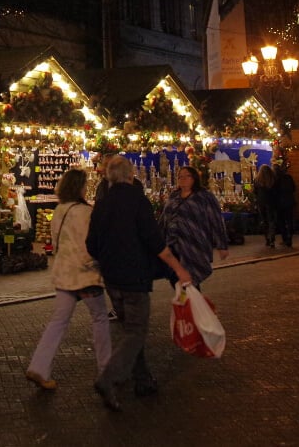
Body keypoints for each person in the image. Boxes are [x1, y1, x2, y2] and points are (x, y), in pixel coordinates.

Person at [85, 155, 192, 412]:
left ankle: (142, 379)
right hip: (135, 277)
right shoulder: (138, 201)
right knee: (136, 331)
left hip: (112, 278)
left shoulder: (101, 204)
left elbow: (91, 244)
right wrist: (178, 268)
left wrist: (106, 259)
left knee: (131, 329)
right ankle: (108, 378)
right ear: (130, 175)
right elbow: (155, 241)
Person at [26, 169, 112, 390]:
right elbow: (93, 243)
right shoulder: (85, 212)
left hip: (64, 272)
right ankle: (106, 369)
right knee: (100, 318)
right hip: (84, 273)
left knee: (59, 321)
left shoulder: (59, 210)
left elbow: (55, 242)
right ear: (80, 187)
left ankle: (39, 365)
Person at [158, 165, 229, 291]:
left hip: (194, 244)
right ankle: (191, 306)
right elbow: (164, 218)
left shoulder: (204, 196)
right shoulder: (174, 196)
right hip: (173, 245)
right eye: (180, 177)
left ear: (194, 178)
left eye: (187, 176)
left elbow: (216, 220)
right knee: (177, 278)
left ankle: (193, 306)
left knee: (190, 280)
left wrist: (221, 245)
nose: (183, 179)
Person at [253, 164, 278, 248]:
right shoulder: (273, 179)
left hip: (261, 203)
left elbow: (255, 192)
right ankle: (272, 239)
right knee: (271, 221)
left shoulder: (257, 180)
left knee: (264, 221)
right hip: (271, 202)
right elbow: (276, 191)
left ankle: (267, 238)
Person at [274, 163, 298, 246]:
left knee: (281, 222)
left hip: (280, 203)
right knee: (289, 220)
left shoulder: (276, 179)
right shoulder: (289, 178)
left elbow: (274, 192)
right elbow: (294, 188)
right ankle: (290, 237)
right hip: (290, 202)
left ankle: (285, 238)